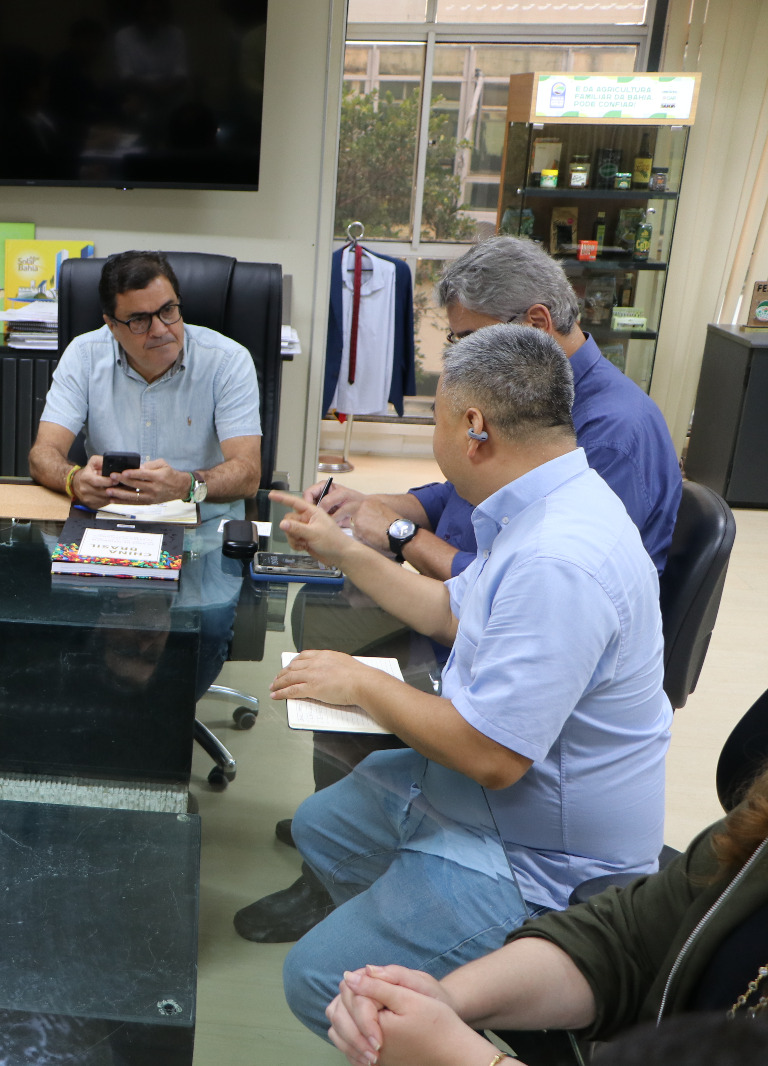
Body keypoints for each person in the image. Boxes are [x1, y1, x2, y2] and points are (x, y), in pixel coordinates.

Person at [238, 235, 685, 944]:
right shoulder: (538, 450)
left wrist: (394, 548)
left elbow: (502, 721)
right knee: (325, 623)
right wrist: (368, 524)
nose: (458, 360)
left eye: (468, 342)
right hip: (492, 640)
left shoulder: (597, 464)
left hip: (544, 776)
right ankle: (371, 838)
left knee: (354, 659)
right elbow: (462, 537)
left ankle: (367, 867)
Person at [324, 761, 768, 1066]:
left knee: (318, 971)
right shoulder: (759, 833)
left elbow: (491, 756)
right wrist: (447, 998)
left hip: (546, 866)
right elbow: (628, 937)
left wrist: (463, 1057)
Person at [300, 236, 681, 580]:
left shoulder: (611, 435)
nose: (461, 357)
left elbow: (528, 583)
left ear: (536, 324)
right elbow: (462, 496)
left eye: (470, 339)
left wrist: (401, 534)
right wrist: (370, 506)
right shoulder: (523, 390)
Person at [27, 250, 262, 516]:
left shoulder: (228, 361)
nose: (160, 329)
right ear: (112, 326)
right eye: (140, 320)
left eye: (168, 310)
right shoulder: (84, 356)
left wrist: (186, 485)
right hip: (110, 522)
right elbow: (42, 454)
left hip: (204, 525)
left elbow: (248, 474)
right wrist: (73, 480)